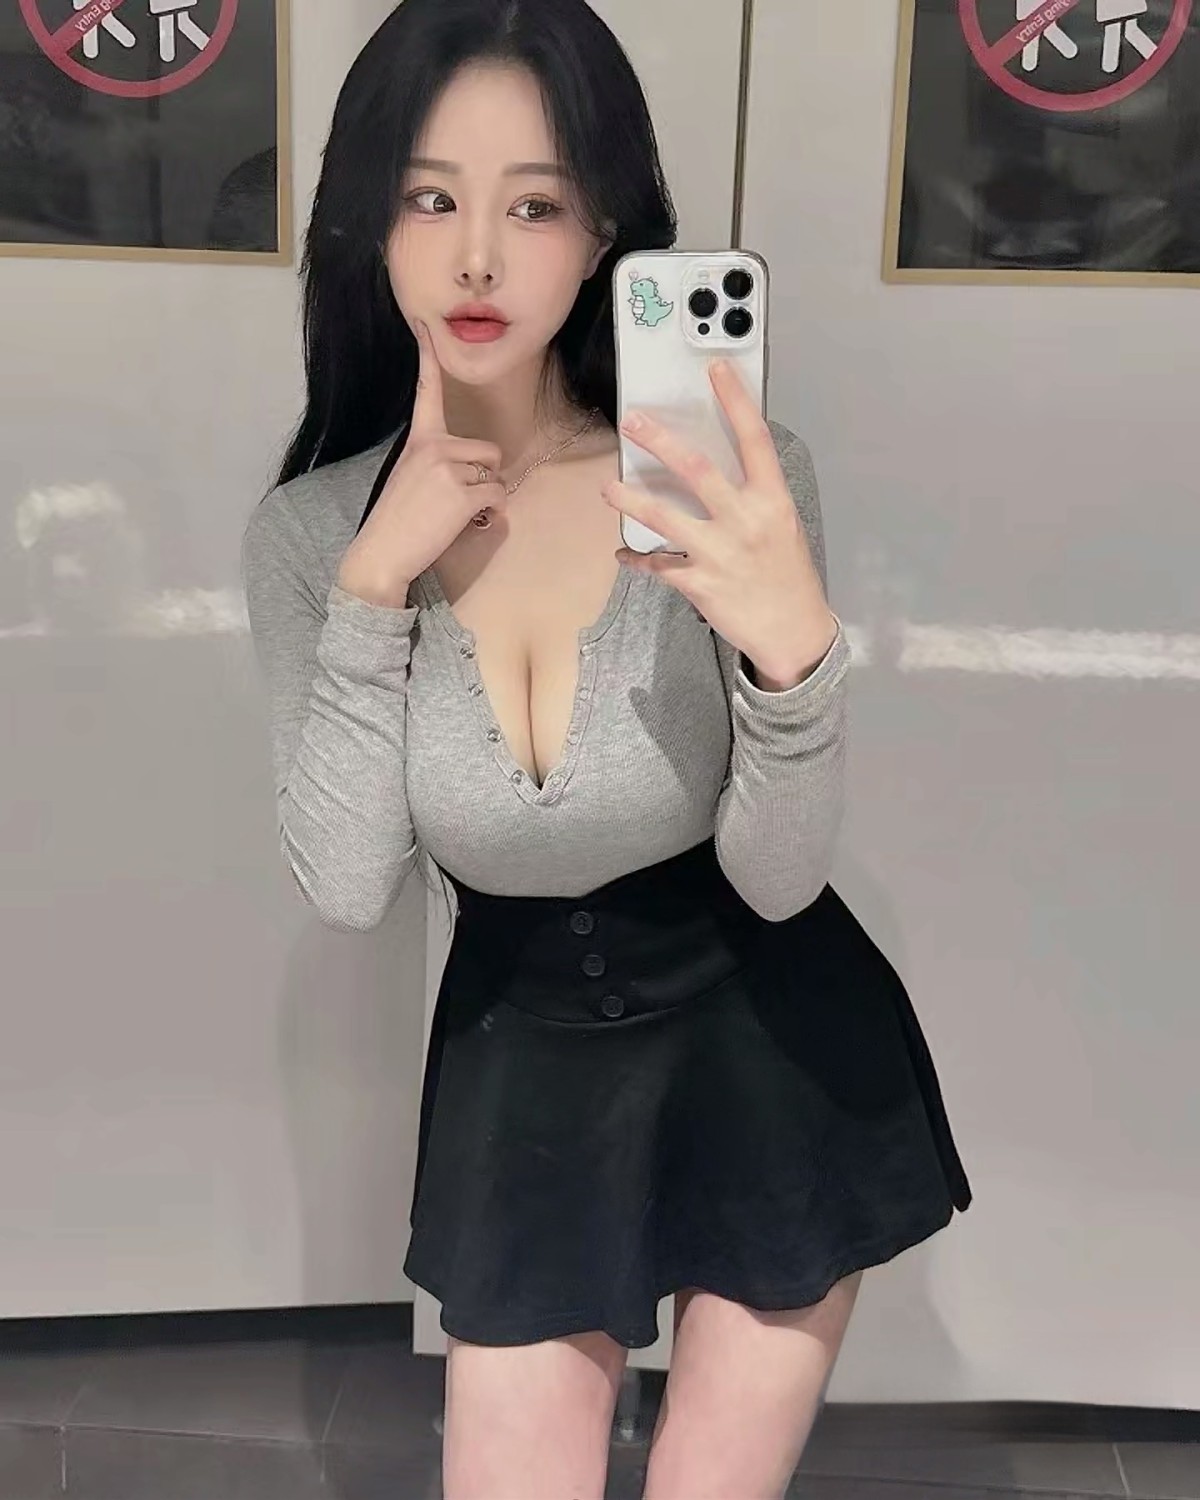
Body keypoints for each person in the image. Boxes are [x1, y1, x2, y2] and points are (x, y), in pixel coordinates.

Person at [241, 3, 973, 1496]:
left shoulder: (725, 483)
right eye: (430, 198)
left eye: (535, 205)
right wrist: (375, 587)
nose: (478, 259)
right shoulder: (314, 536)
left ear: (604, 236)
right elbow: (349, 887)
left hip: (769, 1038)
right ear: (368, 221)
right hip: (522, 1067)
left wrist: (794, 660)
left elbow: (777, 880)